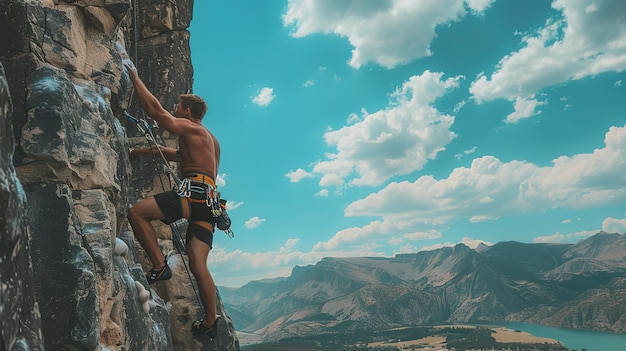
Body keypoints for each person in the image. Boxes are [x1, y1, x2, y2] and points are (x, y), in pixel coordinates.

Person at [123, 59, 221, 338]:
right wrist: (137, 152)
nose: (174, 112)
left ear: (187, 111)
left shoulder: (192, 128)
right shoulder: (210, 140)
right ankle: (210, 321)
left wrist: (133, 74)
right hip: (210, 201)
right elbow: (175, 155)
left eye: (177, 108)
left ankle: (158, 265)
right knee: (198, 263)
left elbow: (155, 112)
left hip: (193, 194)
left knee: (137, 214)